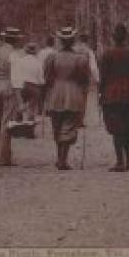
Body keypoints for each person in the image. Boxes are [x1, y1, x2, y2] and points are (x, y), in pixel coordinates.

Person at [44, 26, 91, 170]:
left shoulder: (52, 57)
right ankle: (63, 159)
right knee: (68, 126)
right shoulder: (80, 58)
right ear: (73, 41)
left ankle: (60, 158)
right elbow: (85, 78)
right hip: (73, 93)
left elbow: (47, 77)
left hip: (55, 93)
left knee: (57, 126)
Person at [99, 24, 129, 172]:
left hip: (112, 94)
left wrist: (100, 93)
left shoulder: (107, 54)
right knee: (128, 128)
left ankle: (120, 161)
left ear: (113, 37)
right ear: (125, 37)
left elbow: (103, 77)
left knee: (117, 129)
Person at [0, 27, 22, 166]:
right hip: (8, 87)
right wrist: (20, 101)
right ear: (15, 40)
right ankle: (4, 157)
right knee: (7, 123)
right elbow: (16, 79)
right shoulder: (13, 55)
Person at [14, 42, 44, 122]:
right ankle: (30, 121)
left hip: (22, 85)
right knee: (32, 106)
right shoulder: (38, 62)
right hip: (33, 86)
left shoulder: (21, 60)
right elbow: (41, 79)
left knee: (21, 102)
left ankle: (18, 119)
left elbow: (17, 74)